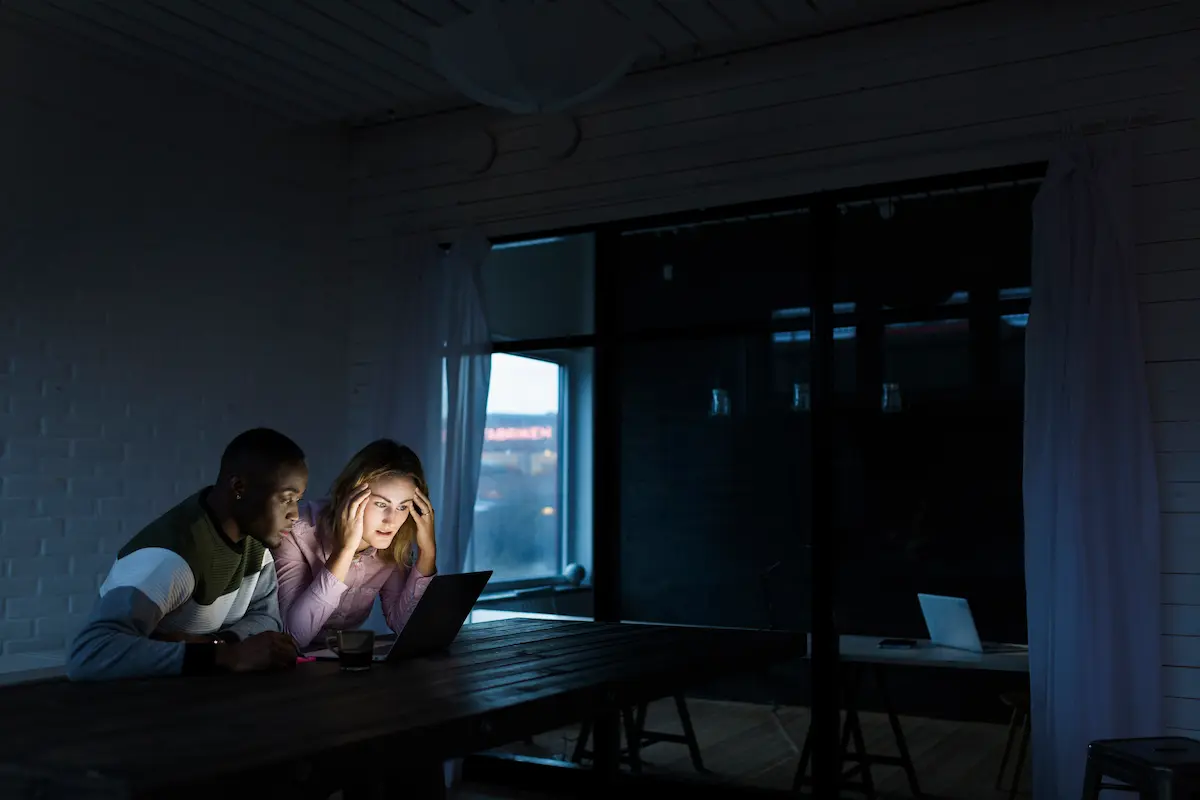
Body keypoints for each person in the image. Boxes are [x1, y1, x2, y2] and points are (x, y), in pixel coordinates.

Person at [66, 428, 306, 681]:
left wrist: (213, 645)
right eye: (286, 499)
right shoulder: (169, 555)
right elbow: (89, 653)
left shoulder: (255, 544)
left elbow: (267, 619)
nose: (295, 514)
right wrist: (230, 655)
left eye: (298, 500)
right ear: (239, 487)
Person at [275, 439, 437, 649]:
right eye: (381, 504)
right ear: (349, 496)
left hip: (343, 657)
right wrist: (345, 551)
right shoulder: (296, 532)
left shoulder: (393, 540)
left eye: (402, 507)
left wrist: (427, 553)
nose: (391, 521)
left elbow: (404, 625)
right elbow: (292, 637)